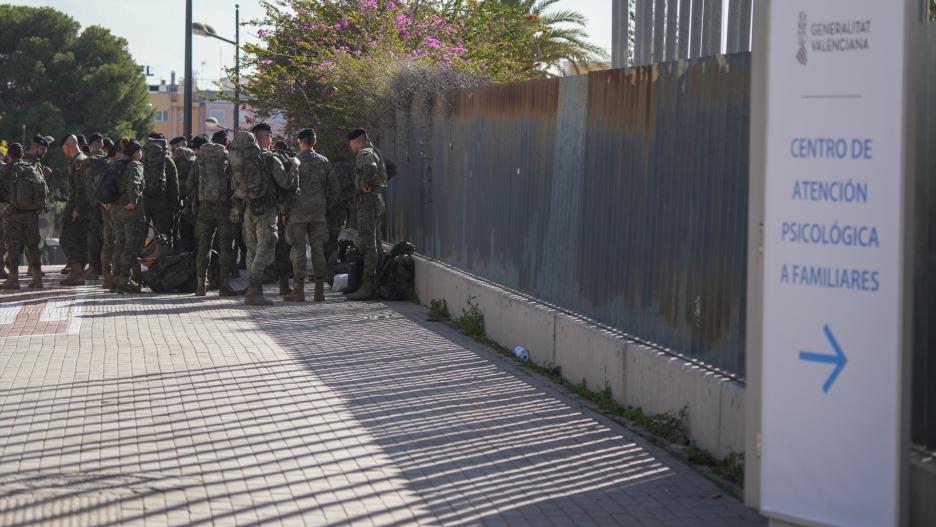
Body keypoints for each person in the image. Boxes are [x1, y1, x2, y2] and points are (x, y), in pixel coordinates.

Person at [230, 123, 297, 305]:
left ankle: (255, 289)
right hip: (267, 210)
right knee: (266, 248)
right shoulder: (269, 158)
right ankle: (253, 289)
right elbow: (285, 182)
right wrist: (294, 166)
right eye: (269, 134)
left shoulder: (243, 160)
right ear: (263, 137)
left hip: (249, 208)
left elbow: (234, 186)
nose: (271, 138)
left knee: (252, 250)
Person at [285, 128, 339, 302]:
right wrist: (325, 206)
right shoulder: (324, 162)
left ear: (300, 141)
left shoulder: (294, 161)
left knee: (298, 250)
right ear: (314, 141)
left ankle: (299, 291)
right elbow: (335, 189)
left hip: (297, 213)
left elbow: (287, 187)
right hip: (318, 213)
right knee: (318, 251)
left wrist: (284, 211)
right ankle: (319, 291)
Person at [188, 129, 239, 297]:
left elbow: (190, 184)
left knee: (204, 247)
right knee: (226, 247)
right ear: (226, 143)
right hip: (224, 208)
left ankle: (201, 286)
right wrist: (234, 206)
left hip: (204, 208)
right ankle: (224, 286)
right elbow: (236, 184)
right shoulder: (229, 158)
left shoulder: (199, 159)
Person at [0, 138, 49, 290]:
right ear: (22, 155)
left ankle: (14, 279)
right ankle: (37, 278)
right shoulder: (32, 167)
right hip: (31, 214)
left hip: (12, 215)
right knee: (33, 246)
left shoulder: (4, 169)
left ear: (8, 155)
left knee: (13, 246)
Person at [345, 128, 388, 301]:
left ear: (358, 141)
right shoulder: (375, 151)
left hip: (368, 202)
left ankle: (367, 287)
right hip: (375, 200)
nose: (350, 146)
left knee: (368, 244)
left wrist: (364, 182)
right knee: (375, 243)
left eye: (351, 142)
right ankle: (376, 283)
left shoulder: (365, 153)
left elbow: (371, 167)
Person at [109, 139, 146, 294]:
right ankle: (124, 281)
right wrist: (133, 201)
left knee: (119, 244)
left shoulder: (115, 164)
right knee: (130, 247)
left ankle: (115, 280)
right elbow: (134, 183)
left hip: (115, 210)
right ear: (136, 151)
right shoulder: (135, 165)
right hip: (129, 211)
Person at [59, 135, 92, 285]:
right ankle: (77, 272)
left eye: (64, 147)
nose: (64, 151)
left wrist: (77, 209)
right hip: (83, 207)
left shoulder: (79, 162)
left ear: (69, 145)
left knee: (66, 238)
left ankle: (77, 272)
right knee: (79, 240)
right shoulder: (82, 159)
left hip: (77, 207)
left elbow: (81, 189)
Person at [142, 132, 180, 239]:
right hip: (162, 202)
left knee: (141, 234)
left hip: (143, 201)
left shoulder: (141, 158)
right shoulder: (167, 160)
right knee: (163, 235)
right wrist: (174, 206)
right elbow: (174, 186)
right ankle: (162, 253)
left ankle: (140, 254)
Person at [171, 136, 197, 252]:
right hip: (193, 200)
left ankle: (180, 253)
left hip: (177, 199)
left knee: (179, 229)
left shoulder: (173, 159)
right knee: (192, 228)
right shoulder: (194, 158)